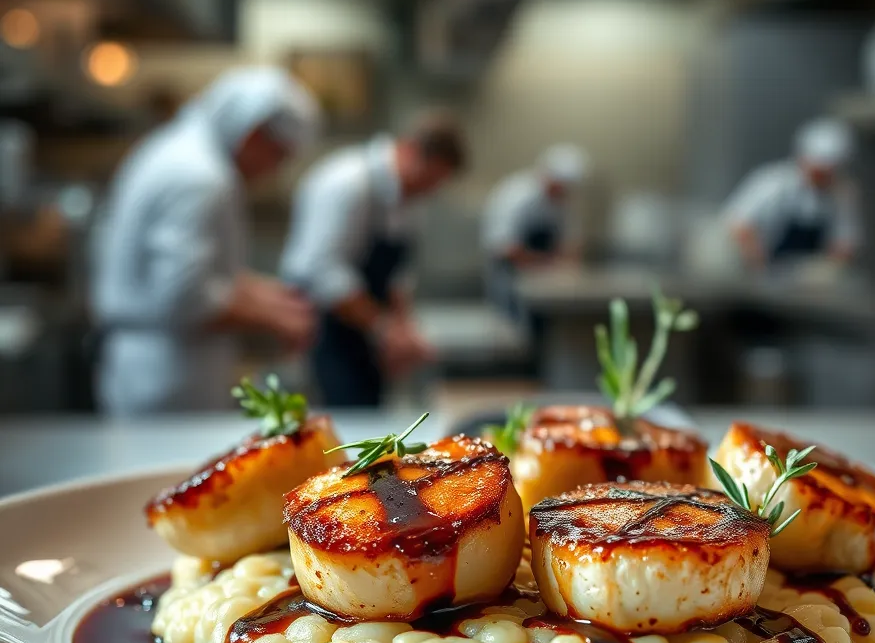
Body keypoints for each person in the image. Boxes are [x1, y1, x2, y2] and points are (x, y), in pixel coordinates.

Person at [92, 66, 320, 415]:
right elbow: (184, 298)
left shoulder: (178, 150)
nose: (274, 170)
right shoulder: (200, 177)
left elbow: (200, 274)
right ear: (254, 135)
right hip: (168, 377)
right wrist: (273, 319)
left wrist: (268, 297)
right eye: (279, 156)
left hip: (159, 365)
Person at [280, 112, 466, 407]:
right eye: (428, 178)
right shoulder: (347, 183)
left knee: (370, 413)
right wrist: (385, 331)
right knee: (342, 421)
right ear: (408, 151)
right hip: (322, 326)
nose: (428, 190)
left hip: (365, 327)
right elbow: (325, 274)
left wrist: (404, 329)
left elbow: (397, 274)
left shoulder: (409, 194)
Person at [723, 118, 859, 270]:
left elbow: (844, 243)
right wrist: (759, 265)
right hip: (763, 269)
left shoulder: (840, 195)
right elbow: (739, 224)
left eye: (829, 174)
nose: (823, 179)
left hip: (806, 284)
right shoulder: (773, 182)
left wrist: (828, 269)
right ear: (803, 160)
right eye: (818, 173)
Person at [481, 144, 588, 315]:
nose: (561, 193)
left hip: (549, 287)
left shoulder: (565, 203)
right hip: (509, 281)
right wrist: (547, 264)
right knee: (513, 331)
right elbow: (504, 248)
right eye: (557, 186)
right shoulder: (514, 195)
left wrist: (565, 268)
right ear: (546, 176)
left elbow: (572, 245)